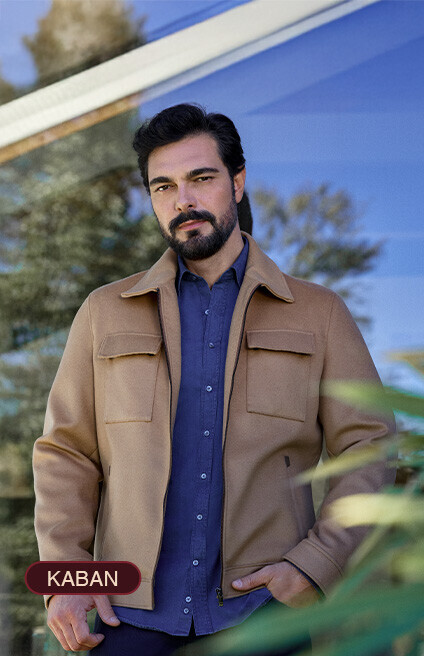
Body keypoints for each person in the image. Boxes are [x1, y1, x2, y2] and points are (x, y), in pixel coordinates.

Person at [33, 103, 395, 654]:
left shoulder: (318, 313)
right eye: (163, 186)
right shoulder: (104, 312)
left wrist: (316, 563)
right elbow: (66, 453)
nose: (183, 200)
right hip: (125, 615)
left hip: (261, 612)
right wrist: (67, 579)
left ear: (238, 182)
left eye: (201, 178)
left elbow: (370, 444)